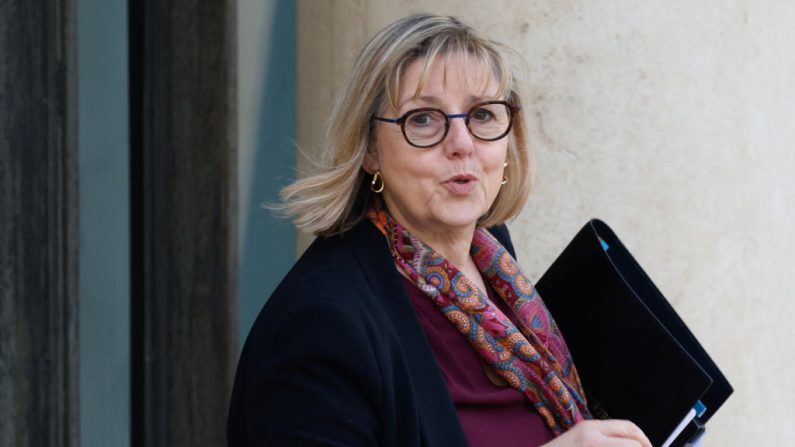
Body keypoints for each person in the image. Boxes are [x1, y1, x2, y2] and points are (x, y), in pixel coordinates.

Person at [228, 14, 652, 447]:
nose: (462, 142)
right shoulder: (322, 322)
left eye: (483, 115)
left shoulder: (493, 263)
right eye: (424, 120)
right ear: (370, 148)